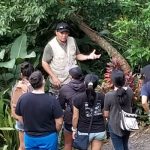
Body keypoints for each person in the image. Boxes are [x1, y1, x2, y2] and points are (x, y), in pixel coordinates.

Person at [42, 22, 101, 93]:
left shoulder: (72, 40)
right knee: (58, 100)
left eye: (66, 33)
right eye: (61, 33)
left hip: (72, 80)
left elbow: (77, 55)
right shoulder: (50, 46)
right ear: (56, 32)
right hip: (59, 81)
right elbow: (44, 62)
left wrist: (88, 57)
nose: (64, 35)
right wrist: (53, 76)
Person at [15, 70, 63, 150]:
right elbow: (59, 122)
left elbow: (18, 116)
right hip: (48, 137)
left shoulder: (23, 98)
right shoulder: (52, 100)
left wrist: (27, 125)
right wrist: (55, 131)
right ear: (43, 81)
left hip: (29, 137)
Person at [72, 74, 106, 150]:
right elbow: (104, 114)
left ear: (84, 83)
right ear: (97, 85)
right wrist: (104, 125)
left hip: (84, 131)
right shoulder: (102, 97)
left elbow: (75, 117)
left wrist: (74, 130)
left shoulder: (77, 98)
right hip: (99, 130)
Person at [104, 70, 134, 150]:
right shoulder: (130, 91)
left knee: (118, 147)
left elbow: (106, 114)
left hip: (115, 124)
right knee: (125, 145)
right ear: (124, 80)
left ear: (113, 82)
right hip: (128, 122)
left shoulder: (108, 95)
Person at [59, 65, 85, 150]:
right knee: (84, 144)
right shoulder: (86, 86)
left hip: (70, 118)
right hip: (84, 117)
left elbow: (61, 104)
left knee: (68, 144)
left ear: (70, 76)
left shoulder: (64, 88)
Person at [11, 62, 34, 150]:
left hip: (20, 119)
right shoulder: (33, 85)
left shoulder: (17, 85)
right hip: (30, 120)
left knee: (22, 145)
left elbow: (13, 102)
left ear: (21, 74)